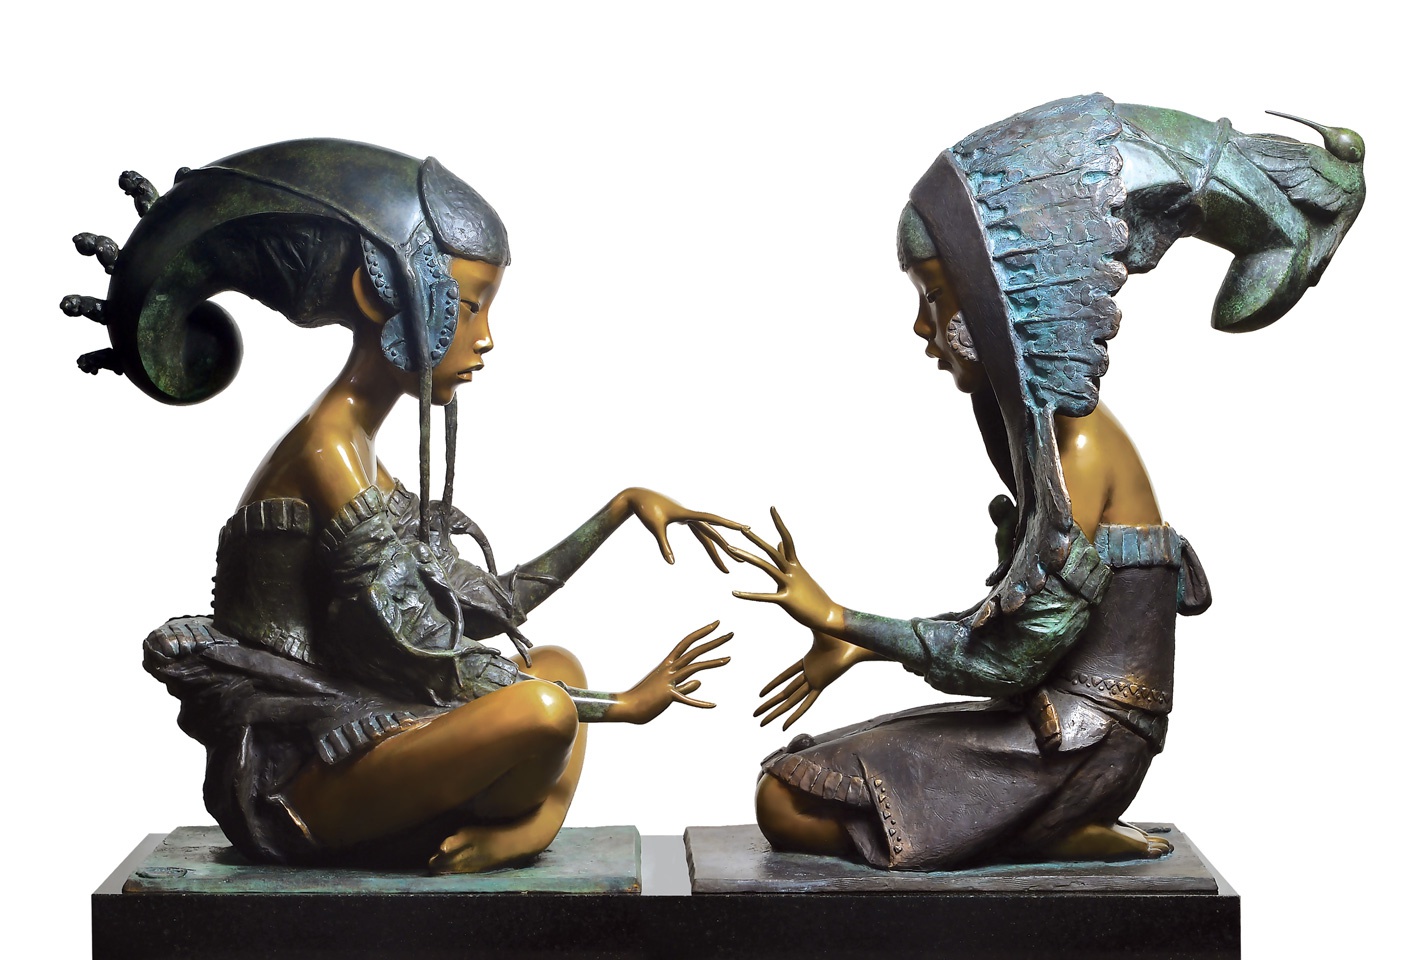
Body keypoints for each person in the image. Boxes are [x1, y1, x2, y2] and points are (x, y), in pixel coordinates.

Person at [721, 94, 1364, 870]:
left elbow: (1009, 658)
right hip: (1051, 722)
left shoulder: (1078, 451)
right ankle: (1051, 826)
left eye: (935, 298)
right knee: (802, 770)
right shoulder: (1050, 444)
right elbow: (1012, 646)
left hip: (1080, 745)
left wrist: (845, 622)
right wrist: (855, 645)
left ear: (1002, 302)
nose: (922, 328)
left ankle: (1058, 824)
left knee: (783, 800)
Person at [66, 139, 737, 873]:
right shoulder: (327, 454)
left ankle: (522, 829)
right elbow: (419, 647)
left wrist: (619, 510)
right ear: (379, 295)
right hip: (303, 773)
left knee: (556, 666)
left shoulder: (363, 457)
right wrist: (622, 707)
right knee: (544, 706)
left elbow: (481, 606)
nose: (485, 338)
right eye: (470, 308)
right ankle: (525, 825)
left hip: (375, 719)